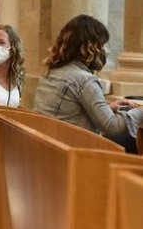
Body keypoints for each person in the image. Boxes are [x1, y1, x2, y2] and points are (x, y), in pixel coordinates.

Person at [33, 14, 143, 152]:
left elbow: (70, 113)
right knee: (129, 140)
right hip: (73, 152)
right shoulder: (84, 79)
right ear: (89, 47)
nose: (105, 51)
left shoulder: (52, 72)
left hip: (48, 146)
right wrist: (140, 112)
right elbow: (112, 126)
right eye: (102, 45)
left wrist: (107, 108)